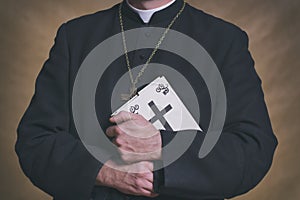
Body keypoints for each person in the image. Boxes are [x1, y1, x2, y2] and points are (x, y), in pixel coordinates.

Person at [15, 0, 278, 200]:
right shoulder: (75, 36)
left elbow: (253, 150)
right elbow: (34, 142)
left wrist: (162, 148)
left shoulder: (225, 40)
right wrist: (105, 171)